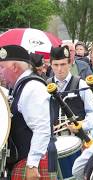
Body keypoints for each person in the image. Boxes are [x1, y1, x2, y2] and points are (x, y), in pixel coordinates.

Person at [0, 45, 56, 179]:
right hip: (23, 160)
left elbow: (41, 128)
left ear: (14, 67)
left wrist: (32, 165)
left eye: (2, 67)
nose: (0, 72)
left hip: (30, 163)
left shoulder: (32, 87)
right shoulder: (20, 87)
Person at [49, 45, 93, 133]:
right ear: (51, 65)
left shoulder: (81, 84)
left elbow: (92, 114)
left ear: (69, 64)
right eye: (55, 65)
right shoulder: (46, 86)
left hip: (77, 139)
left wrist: (82, 126)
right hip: (54, 142)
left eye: (63, 64)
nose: (59, 69)